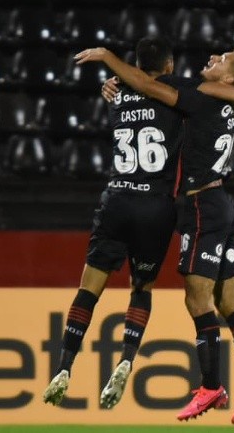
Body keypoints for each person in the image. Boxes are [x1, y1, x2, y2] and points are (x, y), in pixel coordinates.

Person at [77, 46, 234, 424]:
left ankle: (211, 385)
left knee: (197, 297)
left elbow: (149, 86)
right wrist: (121, 86)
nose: (213, 57)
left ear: (229, 78)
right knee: (228, 298)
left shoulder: (200, 98)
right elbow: (152, 87)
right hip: (225, 204)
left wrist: (109, 60)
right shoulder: (227, 97)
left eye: (222, 60)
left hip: (202, 206)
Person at [43, 37, 200, 410]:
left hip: (117, 200)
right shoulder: (174, 93)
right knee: (140, 288)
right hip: (156, 207)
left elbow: (132, 86)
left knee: (89, 288)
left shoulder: (117, 98)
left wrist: (111, 81)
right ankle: (127, 358)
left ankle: (64, 366)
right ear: (169, 66)